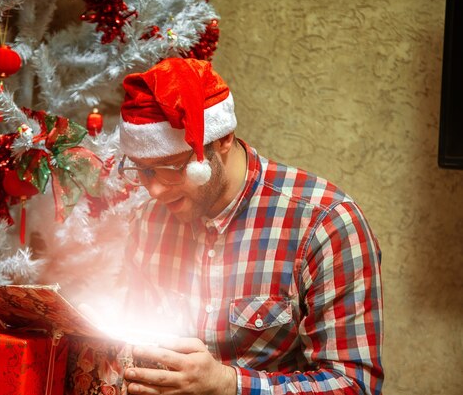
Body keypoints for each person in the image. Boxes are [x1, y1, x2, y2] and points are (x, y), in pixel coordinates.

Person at [116, 58, 384, 395]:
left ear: (223, 139)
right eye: (143, 170)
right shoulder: (148, 221)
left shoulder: (325, 223)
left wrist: (228, 385)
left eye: (171, 167)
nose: (154, 190)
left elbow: (355, 385)